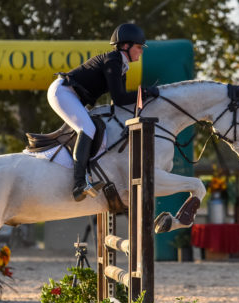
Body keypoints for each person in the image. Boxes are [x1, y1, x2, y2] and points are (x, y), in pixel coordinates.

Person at [47, 23, 159, 202]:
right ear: (125, 46)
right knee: (88, 129)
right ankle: (78, 184)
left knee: (101, 130)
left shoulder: (121, 66)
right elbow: (121, 97)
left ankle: (91, 175)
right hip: (62, 92)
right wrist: (144, 92)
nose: (141, 51)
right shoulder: (112, 61)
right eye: (139, 47)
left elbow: (118, 102)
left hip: (72, 96)